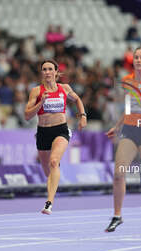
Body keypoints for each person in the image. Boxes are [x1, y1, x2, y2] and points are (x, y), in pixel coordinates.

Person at [105, 46, 141, 232]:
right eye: (136, 57)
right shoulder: (126, 81)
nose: (138, 60)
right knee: (118, 173)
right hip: (129, 131)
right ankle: (117, 215)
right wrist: (118, 125)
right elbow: (128, 107)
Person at [25, 59, 87, 215]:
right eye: (44, 69)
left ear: (56, 72)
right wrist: (41, 102)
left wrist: (83, 116)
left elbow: (78, 99)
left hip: (61, 130)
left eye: (50, 69)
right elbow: (27, 116)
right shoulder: (36, 91)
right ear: (42, 73)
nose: (47, 72)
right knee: (48, 173)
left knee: (54, 162)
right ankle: (53, 186)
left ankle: (49, 203)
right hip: (43, 132)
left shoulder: (64, 88)